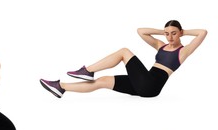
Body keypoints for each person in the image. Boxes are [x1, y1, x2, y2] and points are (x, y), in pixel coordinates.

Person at [39, 20, 207, 98]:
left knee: (124, 52)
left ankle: (88, 70)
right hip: (144, 83)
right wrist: (162, 30)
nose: (170, 37)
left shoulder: (183, 51)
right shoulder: (160, 45)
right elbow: (141, 31)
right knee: (103, 81)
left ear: (180, 33)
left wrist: (183, 31)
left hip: (151, 85)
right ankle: (61, 87)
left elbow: (202, 33)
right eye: (167, 33)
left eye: (174, 33)